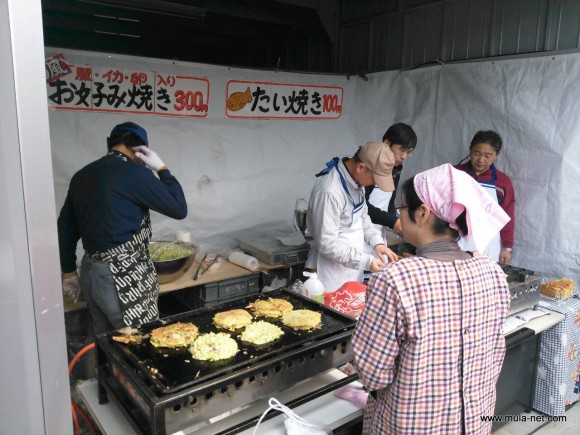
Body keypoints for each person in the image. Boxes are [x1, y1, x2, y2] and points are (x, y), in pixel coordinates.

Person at [352, 163, 511, 434]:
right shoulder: (492, 272)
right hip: (474, 424)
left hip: (410, 426)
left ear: (423, 213)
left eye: (401, 209)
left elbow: (374, 374)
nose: (398, 215)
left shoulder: (395, 280)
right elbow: (496, 355)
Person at [58, 122, 187, 337]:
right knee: (135, 341)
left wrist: (69, 272)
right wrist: (162, 169)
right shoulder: (135, 173)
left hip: (90, 271)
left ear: (110, 144)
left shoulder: (82, 175)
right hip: (120, 276)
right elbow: (179, 207)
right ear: (140, 149)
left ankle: (107, 371)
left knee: (105, 340)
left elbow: (66, 228)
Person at [305, 141, 399, 294]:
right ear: (361, 167)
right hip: (331, 274)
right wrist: (366, 261)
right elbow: (327, 244)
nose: (373, 184)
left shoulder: (355, 179)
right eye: (375, 179)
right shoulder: (330, 192)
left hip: (352, 269)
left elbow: (363, 216)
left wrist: (377, 243)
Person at [455, 130, 515, 264]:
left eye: (488, 155)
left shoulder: (502, 182)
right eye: (477, 153)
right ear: (470, 150)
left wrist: (507, 247)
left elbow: (507, 217)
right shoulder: (454, 174)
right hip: (455, 242)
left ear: (496, 155)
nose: (481, 160)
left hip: (488, 246)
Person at [365, 122, 418, 236]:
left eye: (409, 152)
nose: (404, 156)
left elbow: (389, 202)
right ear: (387, 143)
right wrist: (392, 221)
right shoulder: (369, 168)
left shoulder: (396, 170)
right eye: (402, 150)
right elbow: (362, 206)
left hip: (378, 234)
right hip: (359, 233)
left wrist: (398, 225)